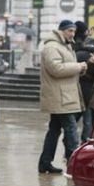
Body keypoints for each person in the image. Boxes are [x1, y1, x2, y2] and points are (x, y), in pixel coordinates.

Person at [38, 19, 87, 174]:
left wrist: (81, 68)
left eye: (73, 31)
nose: (72, 34)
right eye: (69, 31)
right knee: (71, 128)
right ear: (61, 31)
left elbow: (65, 68)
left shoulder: (65, 45)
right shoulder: (52, 46)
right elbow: (56, 69)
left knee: (54, 130)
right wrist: (79, 66)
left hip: (64, 95)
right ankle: (74, 164)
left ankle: (45, 162)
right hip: (60, 96)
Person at [74, 21, 94, 142]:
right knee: (87, 119)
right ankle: (85, 141)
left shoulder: (74, 49)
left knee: (73, 119)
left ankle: (71, 144)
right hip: (88, 88)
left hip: (76, 87)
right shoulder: (90, 55)